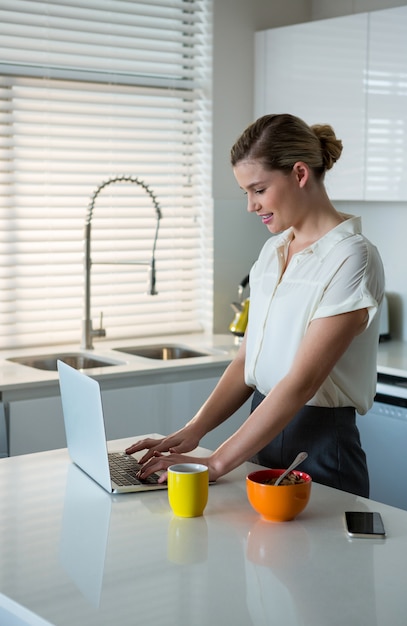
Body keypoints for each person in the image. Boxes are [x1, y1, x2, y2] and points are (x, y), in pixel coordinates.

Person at [126, 113, 385, 497]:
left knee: (320, 558)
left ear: (300, 174)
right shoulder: (273, 251)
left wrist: (216, 462)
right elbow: (246, 362)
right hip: (257, 439)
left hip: (319, 447)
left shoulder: (352, 257)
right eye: (247, 192)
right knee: (260, 555)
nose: (251, 205)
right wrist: (192, 433)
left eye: (258, 189)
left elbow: (301, 383)